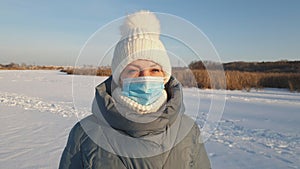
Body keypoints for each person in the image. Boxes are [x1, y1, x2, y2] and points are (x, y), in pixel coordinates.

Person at [59, 10, 211, 169]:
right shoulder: (85, 133)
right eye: (133, 70)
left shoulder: (188, 131)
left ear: (164, 76)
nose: (145, 78)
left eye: (154, 70)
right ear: (119, 79)